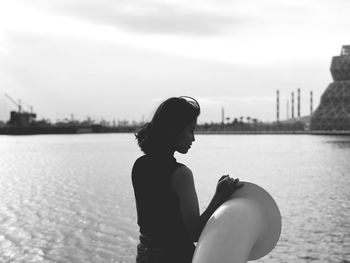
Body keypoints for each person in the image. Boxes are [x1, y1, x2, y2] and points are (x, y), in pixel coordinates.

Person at [131, 96, 243, 263]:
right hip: (175, 256)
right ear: (174, 130)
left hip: (145, 254)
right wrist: (219, 196)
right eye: (190, 130)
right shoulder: (180, 174)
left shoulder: (139, 166)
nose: (193, 138)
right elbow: (194, 233)